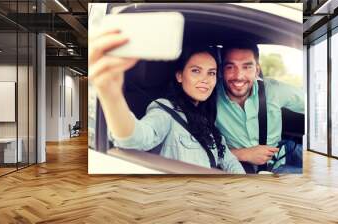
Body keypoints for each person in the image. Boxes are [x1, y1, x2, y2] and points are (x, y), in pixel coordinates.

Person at [89, 29, 245, 174]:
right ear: (179, 76)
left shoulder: (206, 119)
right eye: (196, 71)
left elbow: (229, 160)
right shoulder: (164, 111)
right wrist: (113, 96)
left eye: (211, 73)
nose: (205, 79)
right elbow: (135, 139)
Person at [216, 41, 304, 173]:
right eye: (230, 67)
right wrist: (243, 154)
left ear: (257, 70)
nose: (238, 76)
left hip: (285, 153)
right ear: (222, 70)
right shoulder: (210, 98)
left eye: (247, 67)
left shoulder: (274, 90)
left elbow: (318, 103)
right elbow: (199, 152)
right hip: (244, 167)